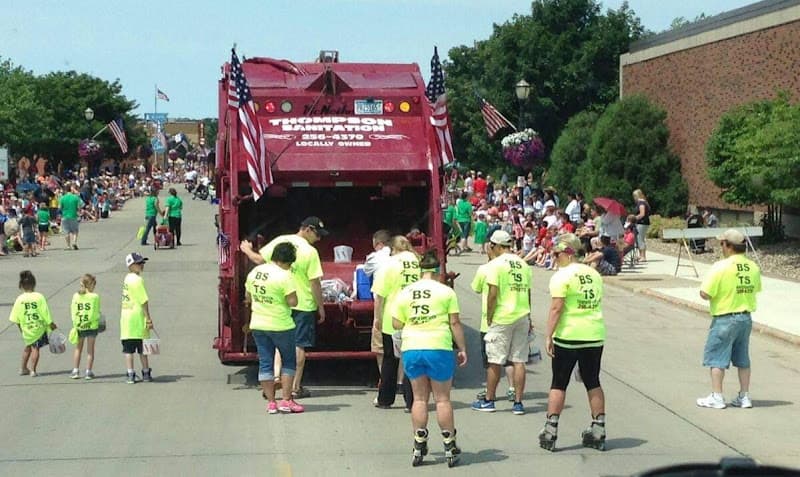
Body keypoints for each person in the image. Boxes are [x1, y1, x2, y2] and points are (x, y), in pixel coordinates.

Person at [393, 250, 467, 467]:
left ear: (420, 270)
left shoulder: (406, 292)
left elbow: (397, 322)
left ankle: (419, 441)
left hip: (413, 347)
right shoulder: (446, 292)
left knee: (419, 398)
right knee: (442, 399)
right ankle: (449, 443)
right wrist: (462, 347)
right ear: (437, 271)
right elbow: (454, 323)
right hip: (438, 346)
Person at [240, 216, 327, 400]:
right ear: (308, 229)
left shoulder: (280, 241)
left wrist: (247, 249)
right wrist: (321, 306)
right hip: (303, 304)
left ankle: (277, 376)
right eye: (317, 234)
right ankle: (295, 386)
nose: (319, 239)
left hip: (280, 302)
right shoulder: (311, 252)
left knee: (282, 344)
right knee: (299, 346)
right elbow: (315, 283)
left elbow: (259, 260)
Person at [539, 234, 607, 452]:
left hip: (568, 335)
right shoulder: (594, 274)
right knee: (592, 380)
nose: (554, 257)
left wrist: (548, 335)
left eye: (556, 254)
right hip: (593, 334)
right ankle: (598, 427)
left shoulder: (562, 276)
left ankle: (551, 429)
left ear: (568, 253)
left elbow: (557, 308)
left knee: (559, 382)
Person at [696, 229, 762, 409]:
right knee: (743, 359)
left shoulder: (720, 266)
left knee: (717, 358)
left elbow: (705, 293)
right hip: (745, 318)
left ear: (729, 246)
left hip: (725, 317)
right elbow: (755, 289)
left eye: (722, 244)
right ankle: (744, 396)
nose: (721, 247)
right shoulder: (753, 267)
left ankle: (717, 396)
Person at [471, 230, 532, 415]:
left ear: (495, 246)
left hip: (502, 316)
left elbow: (493, 293)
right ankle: (518, 403)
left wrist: (490, 316)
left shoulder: (495, 265)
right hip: (522, 315)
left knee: (495, 360)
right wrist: (530, 316)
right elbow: (528, 293)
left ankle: (489, 400)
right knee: (519, 360)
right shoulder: (523, 264)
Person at [244, 241, 305, 414]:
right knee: (288, 362)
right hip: (281, 325)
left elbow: (248, 296)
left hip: (258, 323)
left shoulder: (255, 272)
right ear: (287, 261)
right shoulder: (284, 276)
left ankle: (271, 402)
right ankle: (286, 400)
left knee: (265, 363)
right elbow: (293, 301)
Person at [372, 235, 419, 409]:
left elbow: (380, 295)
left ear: (393, 248)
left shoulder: (390, 264)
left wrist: (377, 317)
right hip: (415, 315)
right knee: (411, 360)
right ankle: (412, 400)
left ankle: (385, 399)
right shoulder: (418, 261)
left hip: (393, 318)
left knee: (390, 360)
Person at [471, 239, 516, 403]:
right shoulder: (516, 266)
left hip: (490, 321)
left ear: (492, 247)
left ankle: (490, 393)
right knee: (510, 358)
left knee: (492, 361)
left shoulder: (486, 269)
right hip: (514, 316)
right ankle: (513, 389)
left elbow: (477, 288)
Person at [9, 270, 57, 377]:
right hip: (38, 327)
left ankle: (23, 368)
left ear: (21, 286)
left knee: (27, 347)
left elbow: (15, 317)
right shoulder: (39, 297)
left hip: (26, 327)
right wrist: (51, 324)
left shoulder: (19, 299)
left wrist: (21, 329)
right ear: (34, 284)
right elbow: (45, 313)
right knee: (36, 348)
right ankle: (33, 370)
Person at [121, 252, 155, 383]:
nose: (142, 265)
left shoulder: (127, 278)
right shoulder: (138, 280)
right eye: (139, 263)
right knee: (142, 349)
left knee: (128, 350)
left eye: (142, 263)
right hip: (137, 318)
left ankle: (130, 373)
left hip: (126, 319)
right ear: (131, 265)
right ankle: (146, 372)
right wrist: (148, 318)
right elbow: (143, 301)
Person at [364, 229, 392, 376]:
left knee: (380, 347)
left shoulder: (375, 257)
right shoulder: (402, 256)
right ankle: (400, 382)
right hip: (403, 305)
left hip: (383, 306)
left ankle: (384, 379)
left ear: (379, 244)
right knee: (402, 348)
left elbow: (365, 271)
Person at [70, 274, 101, 380]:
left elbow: (73, 311)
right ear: (91, 285)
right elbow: (96, 312)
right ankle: (88, 371)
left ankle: (75, 370)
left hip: (79, 325)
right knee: (90, 350)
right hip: (92, 326)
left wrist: (75, 323)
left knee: (78, 348)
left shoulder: (76, 296)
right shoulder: (95, 297)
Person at [59, 184, 83, 250]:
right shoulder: (75, 197)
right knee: (75, 231)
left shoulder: (62, 198)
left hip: (65, 216)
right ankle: (74, 242)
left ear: (65, 190)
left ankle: (68, 246)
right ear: (71, 189)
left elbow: (60, 208)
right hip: (73, 215)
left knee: (66, 231)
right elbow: (79, 207)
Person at [632, 189, 651, 262]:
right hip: (643, 223)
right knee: (639, 239)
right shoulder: (643, 202)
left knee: (640, 239)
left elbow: (642, 214)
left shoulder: (641, 203)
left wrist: (634, 218)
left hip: (642, 223)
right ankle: (641, 255)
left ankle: (643, 256)